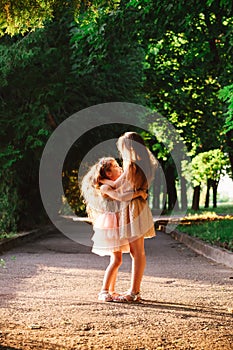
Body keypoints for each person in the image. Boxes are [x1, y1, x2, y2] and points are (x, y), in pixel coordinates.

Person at [100, 132, 157, 302]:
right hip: (139, 206)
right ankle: (134, 291)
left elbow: (118, 187)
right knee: (137, 252)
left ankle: (134, 292)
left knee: (137, 252)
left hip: (132, 208)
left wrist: (101, 184)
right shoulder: (147, 163)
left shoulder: (131, 165)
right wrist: (139, 192)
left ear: (129, 147)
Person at [81, 157, 148, 302]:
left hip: (118, 223)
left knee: (117, 259)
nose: (120, 168)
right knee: (116, 260)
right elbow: (121, 197)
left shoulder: (110, 184)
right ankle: (103, 290)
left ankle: (111, 290)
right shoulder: (105, 188)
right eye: (116, 166)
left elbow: (120, 184)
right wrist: (140, 194)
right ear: (108, 173)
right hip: (110, 225)